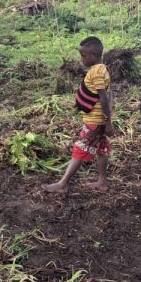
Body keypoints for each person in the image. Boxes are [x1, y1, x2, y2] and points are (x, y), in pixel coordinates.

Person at [43, 36, 115, 194]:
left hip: (95, 121)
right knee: (101, 147)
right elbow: (110, 95)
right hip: (100, 120)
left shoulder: (96, 72)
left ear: (94, 54)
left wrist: (108, 122)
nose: (81, 59)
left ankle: (63, 184)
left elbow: (103, 98)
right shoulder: (102, 69)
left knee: (80, 148)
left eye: (83, 55)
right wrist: (108, 120)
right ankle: (102, 182)